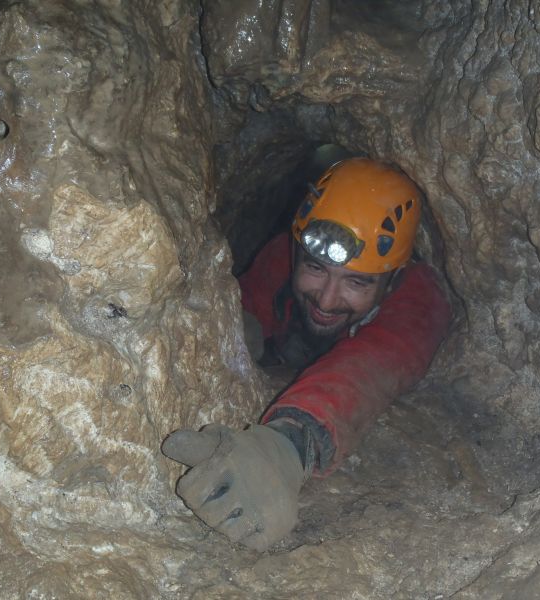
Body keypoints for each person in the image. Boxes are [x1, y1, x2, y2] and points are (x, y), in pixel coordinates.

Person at [161, 158, 451, 551]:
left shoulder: (419, 298)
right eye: (316, 268)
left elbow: (375, 360)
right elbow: (251, 299)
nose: (327, 299)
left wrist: (289, 445)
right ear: (299, 253)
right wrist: (226, 338)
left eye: (357, 282)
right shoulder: (283, 254)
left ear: (393, 278)